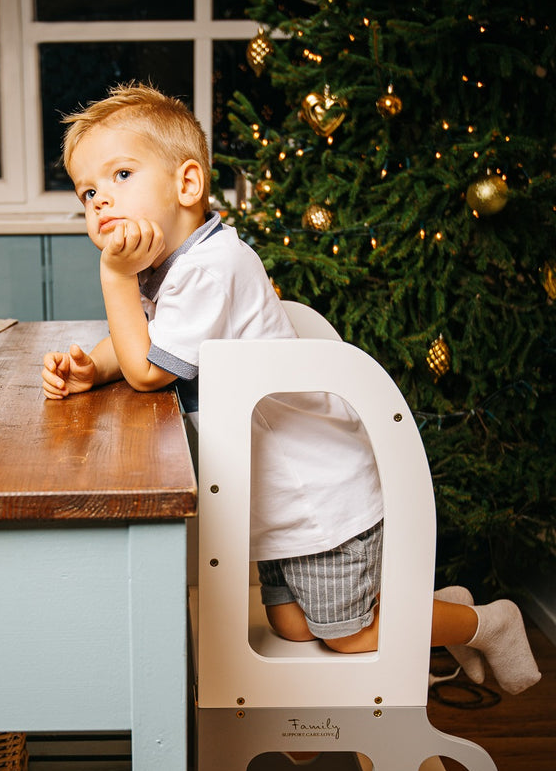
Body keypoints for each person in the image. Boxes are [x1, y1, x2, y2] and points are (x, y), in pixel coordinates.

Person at [42, 83, 541, 696]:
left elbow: (149, 371)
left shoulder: (210, 267)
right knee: (293, 626)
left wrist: (111, 276)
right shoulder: (170, 269)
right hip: (274, 502)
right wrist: (94, 366)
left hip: (317, 496)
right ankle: (432, 610)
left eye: (120, 175)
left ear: (188, 185)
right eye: (88, 192)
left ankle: (485, 623)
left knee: (346, 634)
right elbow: (142, 342)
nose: (101, 202)